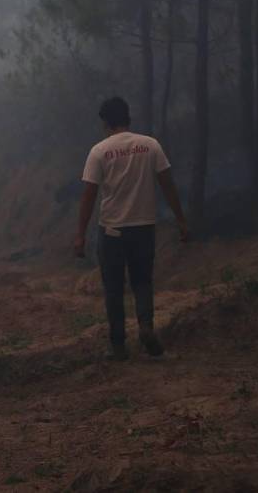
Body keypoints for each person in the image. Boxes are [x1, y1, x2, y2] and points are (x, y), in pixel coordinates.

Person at [74, 97, 188, 361]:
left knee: (113, 289)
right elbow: (167, 184)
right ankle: (146, 327)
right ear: (128, 118)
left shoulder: (99, 151)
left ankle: (118, 346)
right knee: (142, 282)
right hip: (144, 227)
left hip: (112, 230)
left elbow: (89, 195)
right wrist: (181, 219)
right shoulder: (150, 145)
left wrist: (80, 235)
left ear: (105, 121)